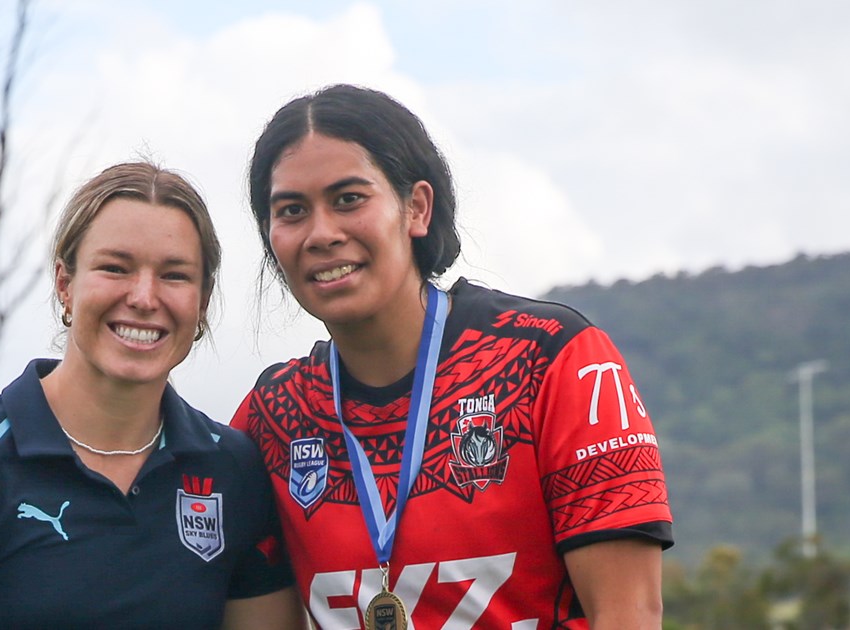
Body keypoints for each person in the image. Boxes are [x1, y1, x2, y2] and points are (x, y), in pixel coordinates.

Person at [230, 85, 674, 630]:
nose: (322, 233)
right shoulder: (271, 417)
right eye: (292, 210)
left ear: (416, 208)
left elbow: (628, 616)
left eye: (348, 199)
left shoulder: (554, 361)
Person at [0, 161, 304, 629]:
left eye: (174, 275)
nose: (143, 296)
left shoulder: (235, 471)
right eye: (115, 268)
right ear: (64, 285)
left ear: (203, 301)